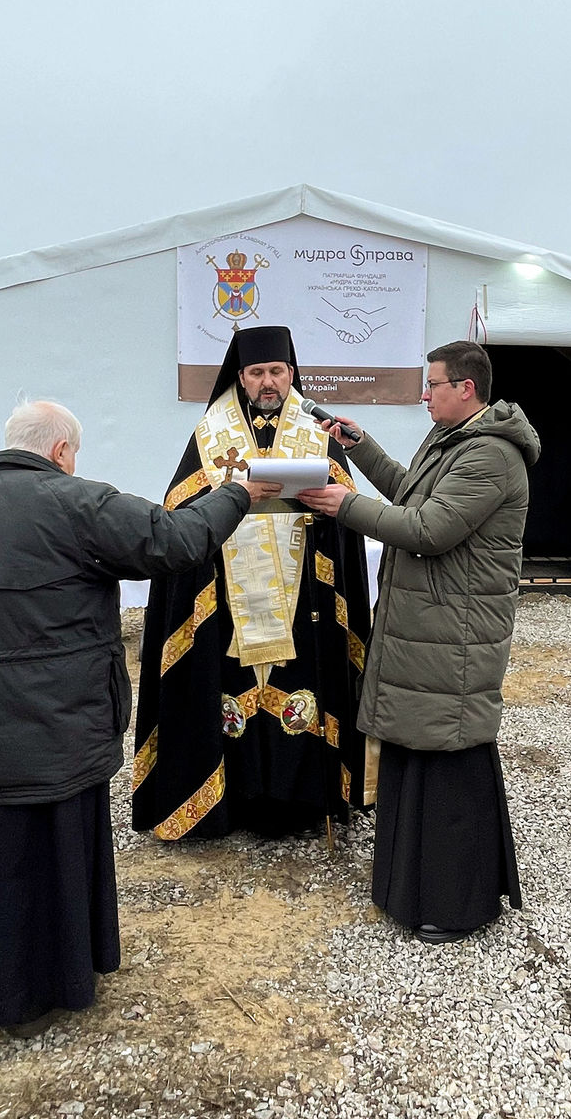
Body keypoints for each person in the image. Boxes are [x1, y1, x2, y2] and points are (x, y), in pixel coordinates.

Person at [0, 401, 276, 1036]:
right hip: (51, 732)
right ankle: (35, 989)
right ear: (62, 451)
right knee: (39, 854)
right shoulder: (80, 503)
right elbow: (178, 542)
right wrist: (235, 494)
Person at [297, 339, 535, 944]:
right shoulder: (452, 439)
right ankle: (412, 886)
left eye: (433, 384)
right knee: (418, 746)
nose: (424, 394)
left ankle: (455, 900)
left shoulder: (492, 457)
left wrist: (342, 503)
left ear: (467, 389)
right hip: (428, 625)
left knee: (447, 755)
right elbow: (411, 494)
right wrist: (364, 449)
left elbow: (429, 529)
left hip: (452, 632)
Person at [133, 326, 374, 841]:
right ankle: (233, 800)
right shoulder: (210, 434)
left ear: (291, 374)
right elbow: (180, 514)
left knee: (301, 683)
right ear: (240, 378)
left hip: (303, 592)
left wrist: (329, 510)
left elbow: (350, 513)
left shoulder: (317, 431)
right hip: (227, 589)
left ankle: (304, 798)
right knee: (229, 691)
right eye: (257, 373)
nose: (268, 382)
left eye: (277, 372)